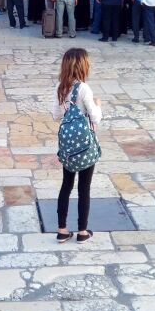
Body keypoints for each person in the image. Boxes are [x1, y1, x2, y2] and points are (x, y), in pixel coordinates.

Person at [52, 48, 102, 244]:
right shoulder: (84, 88)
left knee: (66, 185)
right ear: (83, 66)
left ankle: (62, 229)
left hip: (68, 147)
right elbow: (95, 117)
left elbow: (56, 115)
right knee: (84, 187)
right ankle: (82, 230)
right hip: (84, 145)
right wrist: (98, 105)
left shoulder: (60, 87)